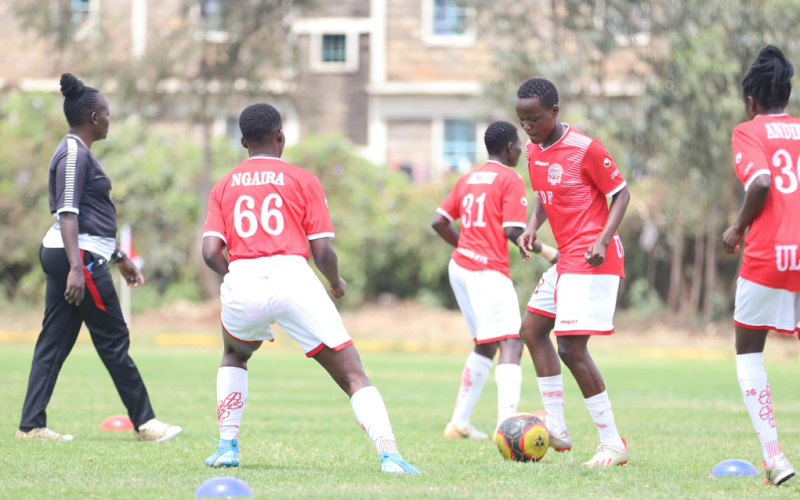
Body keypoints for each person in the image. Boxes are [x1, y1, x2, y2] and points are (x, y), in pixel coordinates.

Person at [201, 103, 419, 474]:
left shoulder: (223, 185)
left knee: (235, 355)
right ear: (281, 136)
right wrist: (335, 283)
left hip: (241, 278)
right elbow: (322, 251)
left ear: (242, 142)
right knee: (352, 374)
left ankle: (226, 447)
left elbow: (209, 252)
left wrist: (237, 276)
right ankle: (390, 456)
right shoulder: (303, 180)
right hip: (293, 276)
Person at [17, 74, 181, 443]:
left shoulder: (78, 152)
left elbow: (90, 217)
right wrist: (78, 267)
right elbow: (69, 213)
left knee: (55, 341)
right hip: (78, 259)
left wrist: (119, 255)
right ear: (93, 118)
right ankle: (145, 423)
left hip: (81, 255)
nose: (109, 120)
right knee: (113, 337)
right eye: (106, 114)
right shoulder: (74, 153)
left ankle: (30, 426)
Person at [515, 77, 631, 466]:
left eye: (533, 119)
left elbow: (621, 194)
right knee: (531, 330)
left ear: (555, 112)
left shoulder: (586, 149)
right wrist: (533, 226)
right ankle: (558, 428)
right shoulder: (534, 151)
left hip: (595, 258)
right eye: (521, 121)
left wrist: (602, 239)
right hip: (567, 259)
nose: (527, 128)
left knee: (571, 348)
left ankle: (613, 443)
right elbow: (547, 193)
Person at [431, 121, 558, 440]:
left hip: (460, 268)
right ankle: (509, 430)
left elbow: (439, 222)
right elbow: (512, 231)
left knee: (486, 344)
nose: (520, 148)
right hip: (485, 270)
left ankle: (459, 423)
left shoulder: (468, 178)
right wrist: (545, 250)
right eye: (518, 144)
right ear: (509, 148)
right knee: (513, 342)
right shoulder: (510, 178)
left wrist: (465, 247)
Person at [722, 45, 798, 487]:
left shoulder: (748, 131)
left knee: (749, 351)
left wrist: (736, 228)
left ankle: (775, 458)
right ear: (787, 96)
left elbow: (763, 181)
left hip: (768, 254)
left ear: (751, 102)